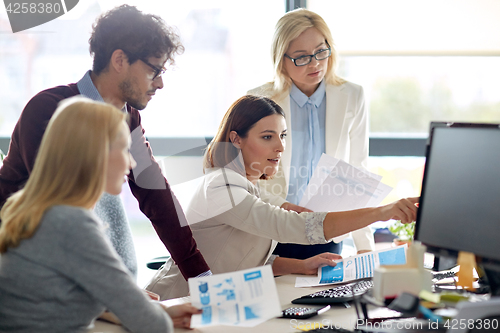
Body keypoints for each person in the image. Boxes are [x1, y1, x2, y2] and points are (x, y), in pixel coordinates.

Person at [0, 5, 210, 279]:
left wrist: (200, 276)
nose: (160, 84)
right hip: (24, 265)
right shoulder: (49, 109)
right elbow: (60, 208)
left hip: (78, 271)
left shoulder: (127, 117)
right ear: (120, 60)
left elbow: (155, 193)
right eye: (154, 70)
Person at [145, 95, 418, 300]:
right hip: (172, 304)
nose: (280, 146)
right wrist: (383, 211)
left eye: (283, 135)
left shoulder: (246, 186)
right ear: (236, 139)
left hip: (212, 303)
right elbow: (299, 227)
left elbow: (247, 258)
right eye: (267, 137)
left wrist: (303, 265)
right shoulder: (223, 187)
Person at [0, 97, 200, 332]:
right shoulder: (70, 222)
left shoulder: (38, 209)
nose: (132, 162)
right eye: (125, 149)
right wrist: (158, 316)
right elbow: (153, 325)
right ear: (96, 154)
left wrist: (162, 312)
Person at [249, 8, 374, 259]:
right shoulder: (258, 100)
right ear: (281, 59)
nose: (316, 63)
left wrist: (364, 246)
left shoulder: (352, 96)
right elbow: (247, 175)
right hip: (274, 229)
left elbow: (358, 170)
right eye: (302, 57)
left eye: (320, 51)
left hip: (328, 228)